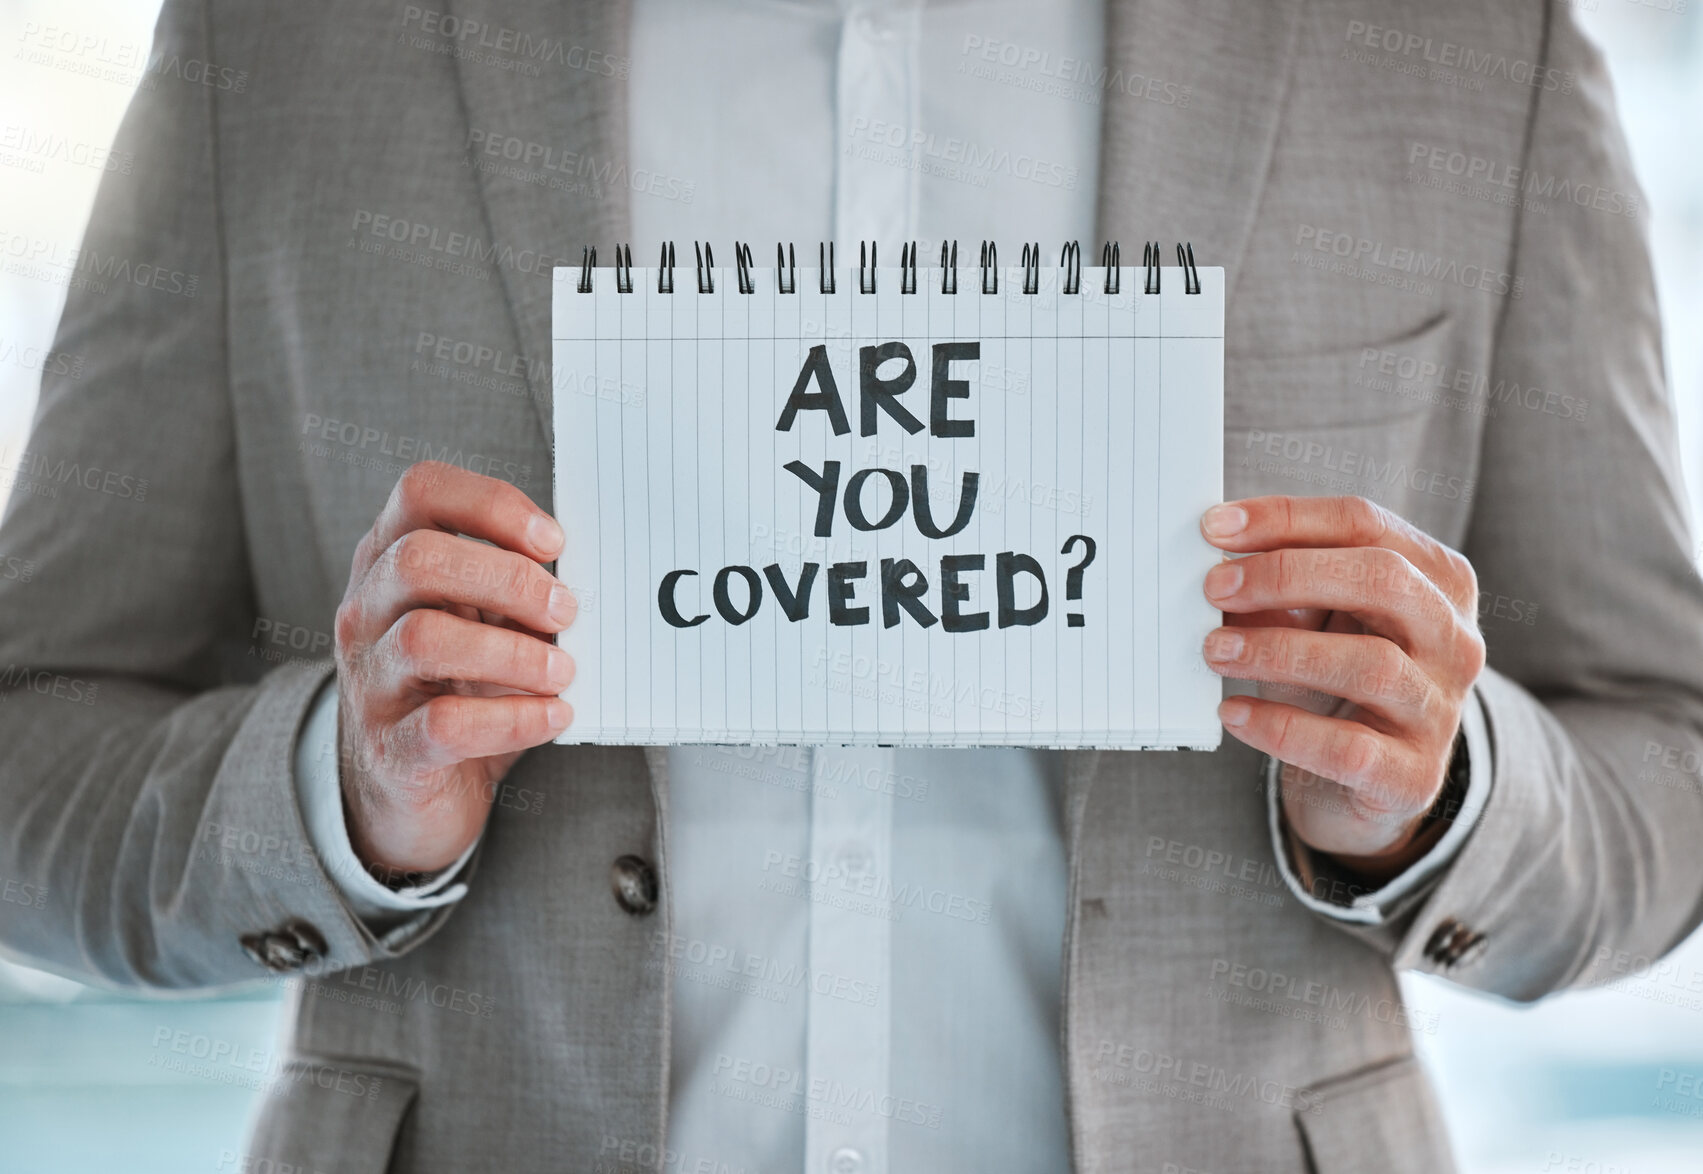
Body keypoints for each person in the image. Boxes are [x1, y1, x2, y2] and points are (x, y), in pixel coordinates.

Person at [2, 0, 1701, 1170]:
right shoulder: (288, 39)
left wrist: (1439, 790)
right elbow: (32, 753)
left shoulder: (1468, 46)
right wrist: (342, 792)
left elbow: (1664, 767)